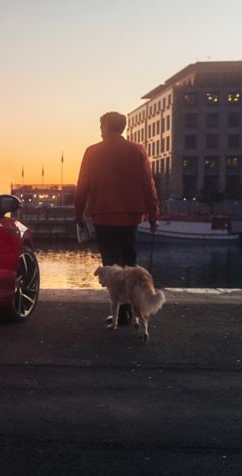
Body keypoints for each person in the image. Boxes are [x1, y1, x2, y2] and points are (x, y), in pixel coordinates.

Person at [74, 111, 159, 325]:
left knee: (111, 266)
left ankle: (120, 313)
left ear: (105, 126)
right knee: (130, 265)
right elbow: (148, 184)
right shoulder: (137, 150)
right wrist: (153, 214)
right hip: (130, 215)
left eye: (101, 126)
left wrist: (78, 214)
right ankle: (131, 312)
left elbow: (82, 185)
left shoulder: (92, 152)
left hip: (103, 214)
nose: (100, 131)